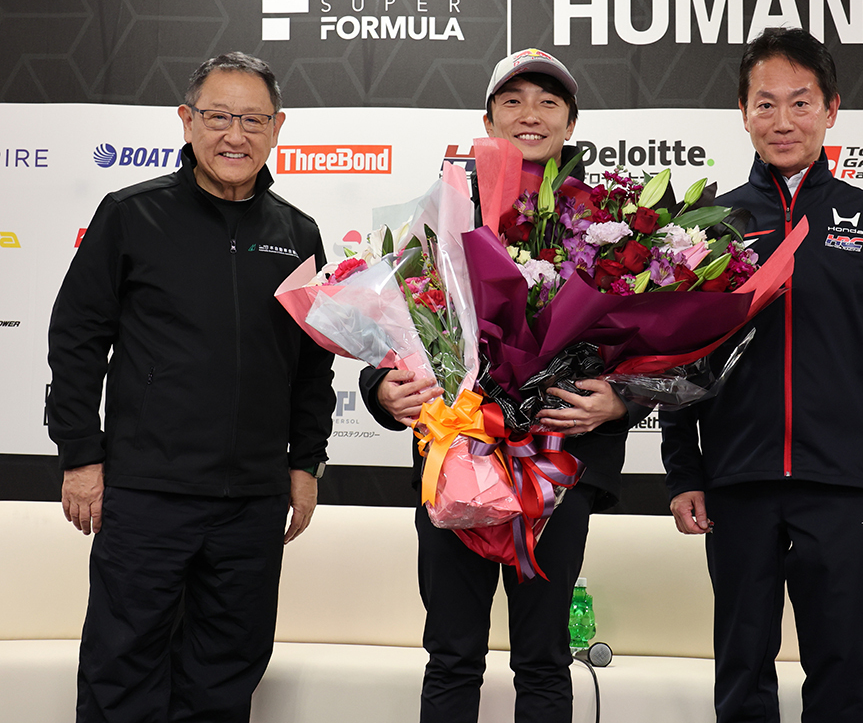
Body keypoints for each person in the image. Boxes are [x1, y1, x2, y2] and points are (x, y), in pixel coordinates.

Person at [47, 52, 336, 723]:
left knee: (225, 679)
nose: (235, 135)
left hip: (252, 503)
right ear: (186, 120)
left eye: (253, 120)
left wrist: (305, 464)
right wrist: (81, 457)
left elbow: (312, 366)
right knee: (122, 674)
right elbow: (76, 339)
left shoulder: (298, 234)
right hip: (146, 495)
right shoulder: (130, 215)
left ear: (278, 128)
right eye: (218, 117)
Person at [360, 48, 639, 723]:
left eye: (548, 101)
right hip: (455, 462)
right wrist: (382, 391)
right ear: (487, 121)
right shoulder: (443, 215)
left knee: (543, 661)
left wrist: (622, 399)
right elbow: (395, 330)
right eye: (512, 101)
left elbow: (646, 350)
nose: (530, 114)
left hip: (556, 470)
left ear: (571, 121)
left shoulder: (611, 224)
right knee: (452, 656)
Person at [660, 27, 863, 723]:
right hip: (736, 482)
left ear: (831, 109)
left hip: (841, 484)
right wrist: (684, 472)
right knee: (742, 671)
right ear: (742, 112)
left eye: (801, 102)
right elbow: (677, 360)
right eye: (766, 103)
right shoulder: (707, 225)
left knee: (840, 671)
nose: (783, 121)